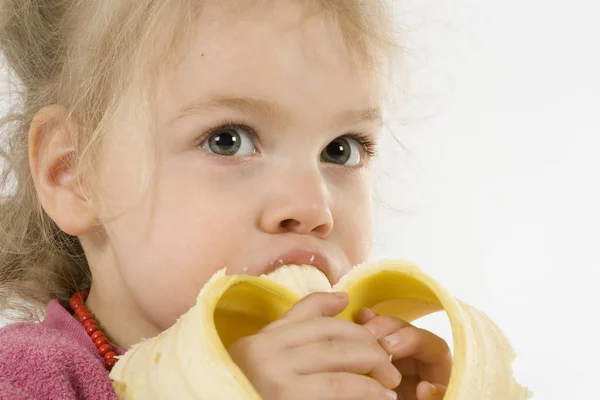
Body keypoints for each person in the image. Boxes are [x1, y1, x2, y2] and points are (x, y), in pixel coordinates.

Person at [0, 1, 452, 399]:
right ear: (74, 174)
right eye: (227, 140)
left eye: (341, 149)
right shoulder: (24, 377)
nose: (313, 208)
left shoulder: (358, 376)